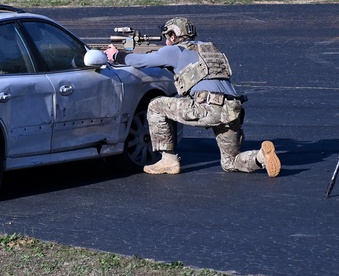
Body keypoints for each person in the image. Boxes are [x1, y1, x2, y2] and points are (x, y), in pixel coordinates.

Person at [105, 17, 280, 177]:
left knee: (156, 106)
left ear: (173, 35)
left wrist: (116, 55)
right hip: (232, 109)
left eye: (167, 36)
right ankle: (260, 157)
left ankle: (168, 160)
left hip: (208, 107)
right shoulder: (210, 49)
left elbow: (139, 62)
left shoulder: (175, 51)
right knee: (230, 162)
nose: (166, 41)